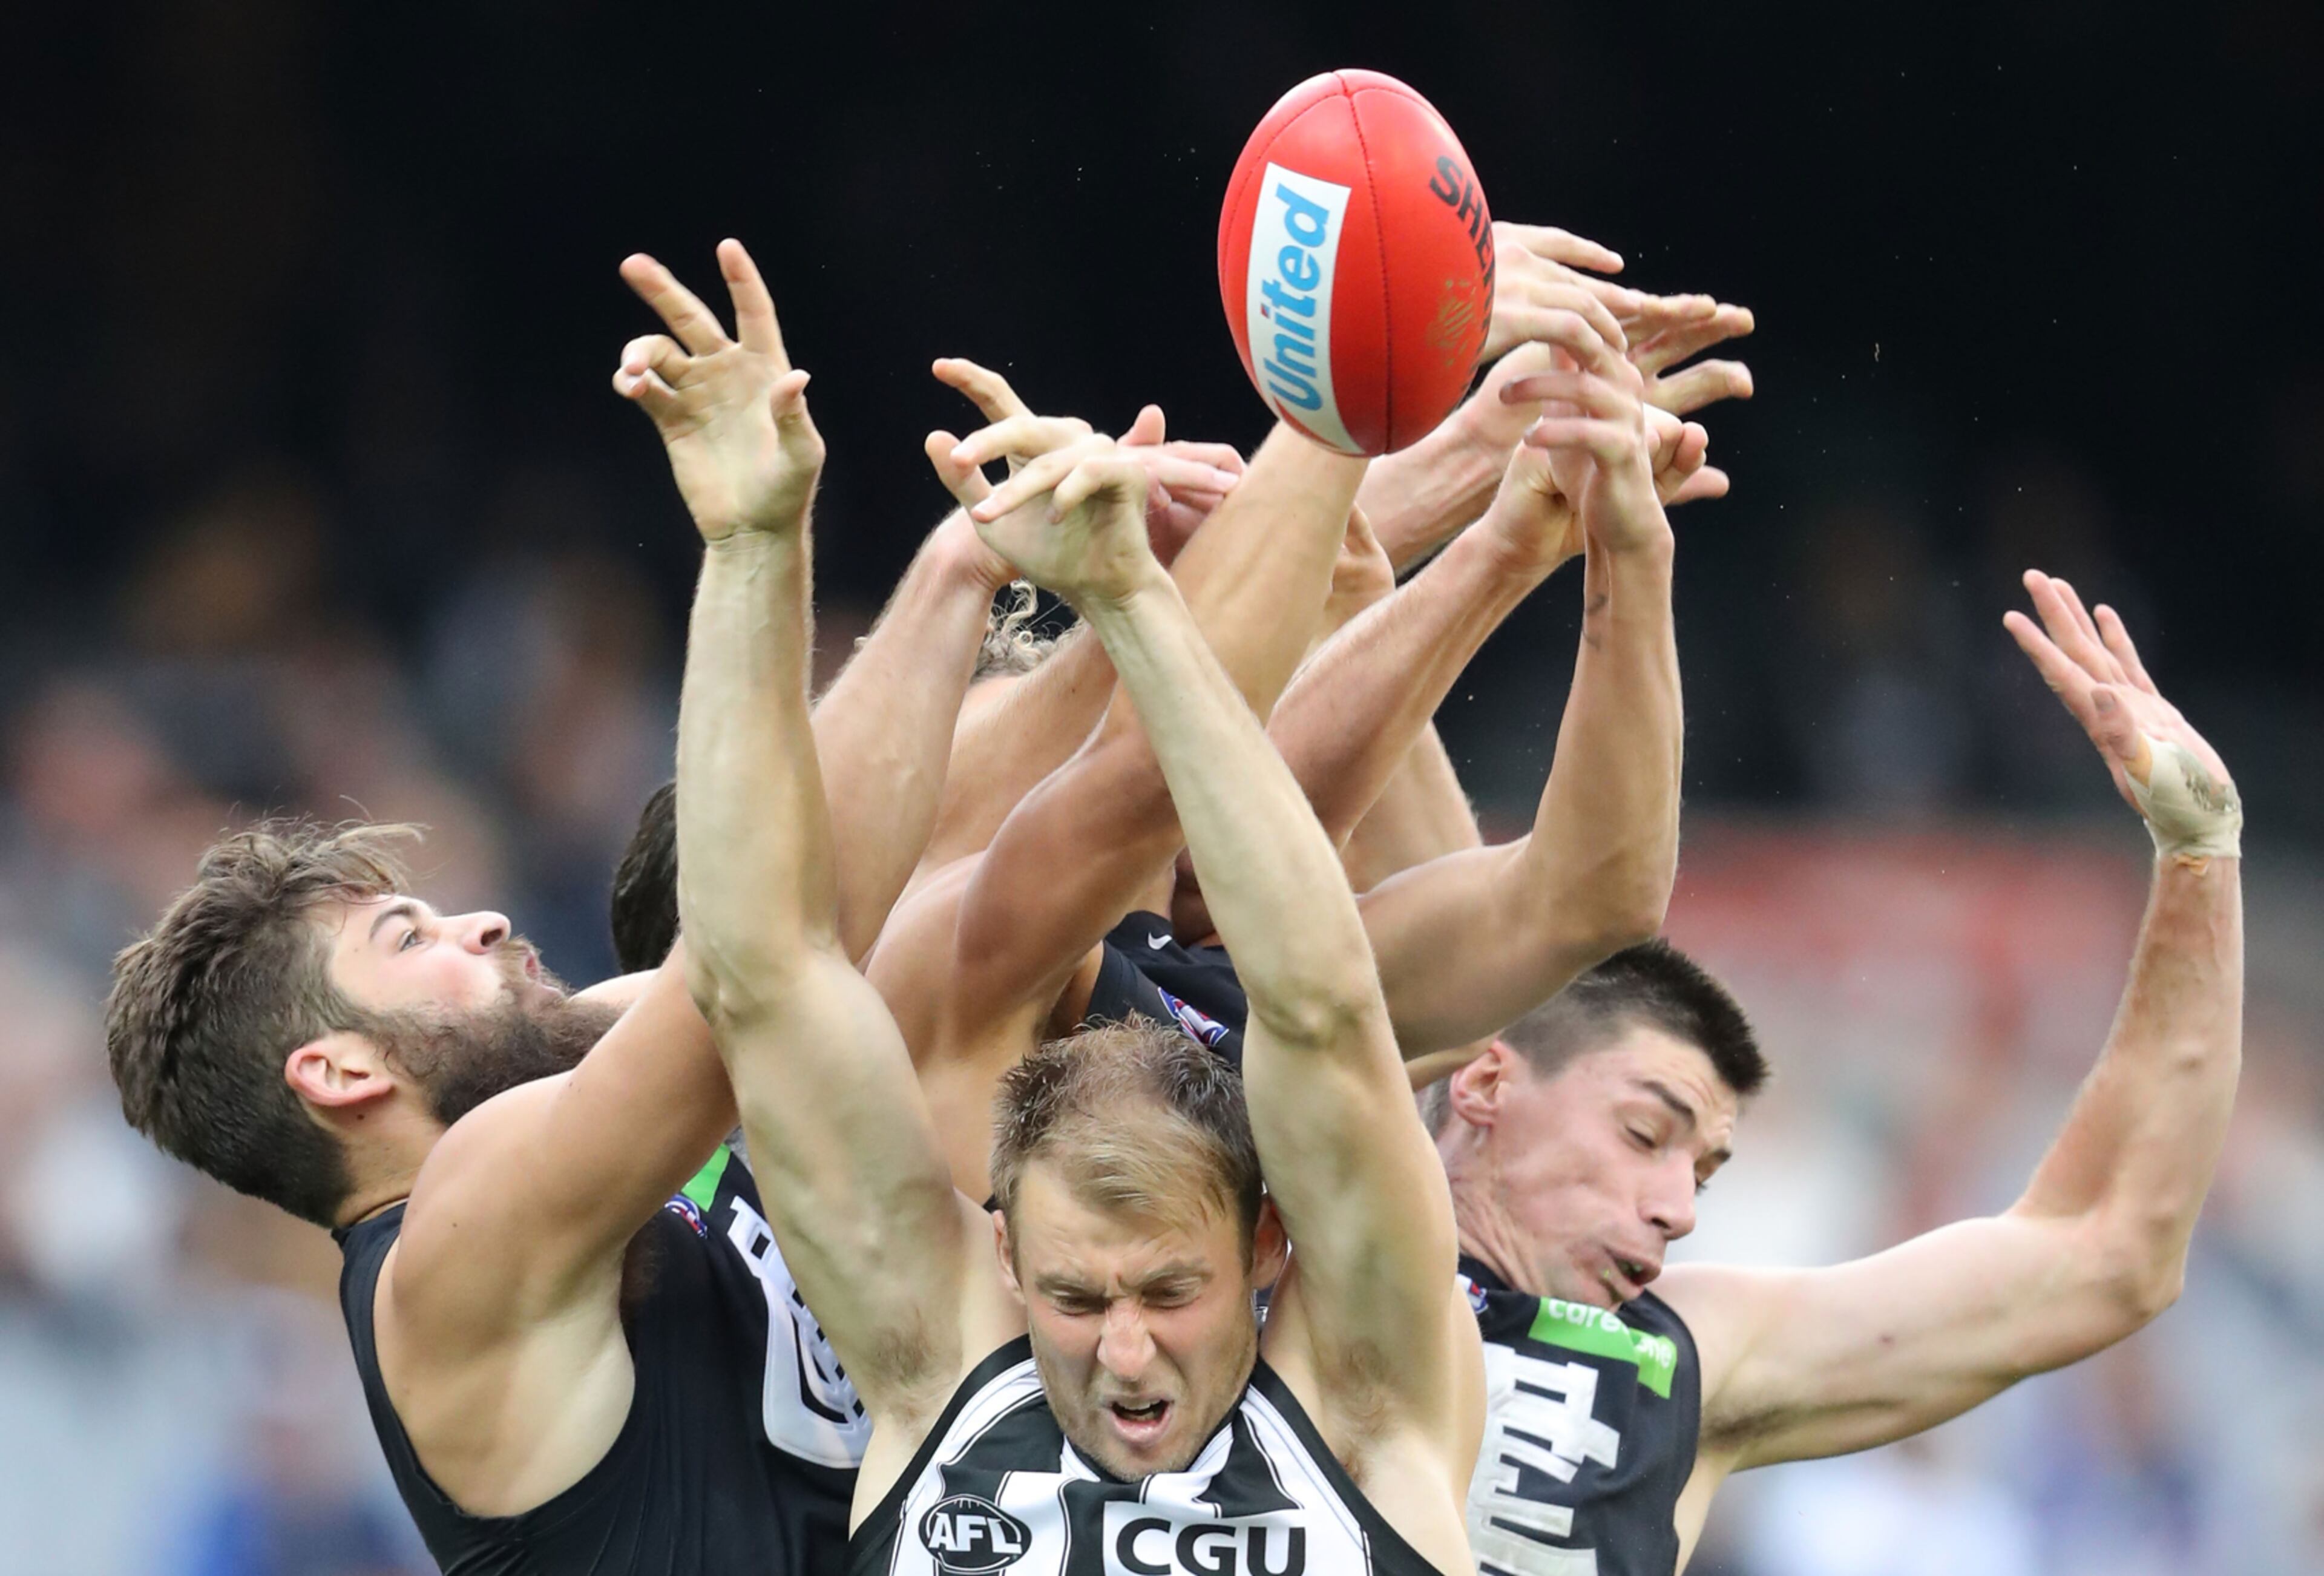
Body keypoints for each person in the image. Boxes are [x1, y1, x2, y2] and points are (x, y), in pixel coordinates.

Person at [97, 235, 1097, 1573]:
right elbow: (752, 966)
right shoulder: (449, 1245)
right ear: (335, 1069)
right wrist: (761, 543)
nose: (486, 924)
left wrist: (985, 565)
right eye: (413, 940)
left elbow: (805, 921)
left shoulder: (562, 1112)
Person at [651, 238, 1483, 1572]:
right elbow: (758, 975)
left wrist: (1137, 601)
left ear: (1269, 1247)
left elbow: (1322, 1006)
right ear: (1006, 1258)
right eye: (1080, 1297)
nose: (1128, 1351)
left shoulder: (1367, 1424)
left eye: (1169, 1290)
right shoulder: (945, 1388)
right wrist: (751, 547)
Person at [1423, 571, 2244, 1573]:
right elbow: (1338, 949)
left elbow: (2107, 1257)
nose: (1679, 1209)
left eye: (1705, 1173)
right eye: (1646, 1133)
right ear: (1486, 1084)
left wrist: (2201, 858)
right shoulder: (1303, 1248)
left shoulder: (1690, 1358)